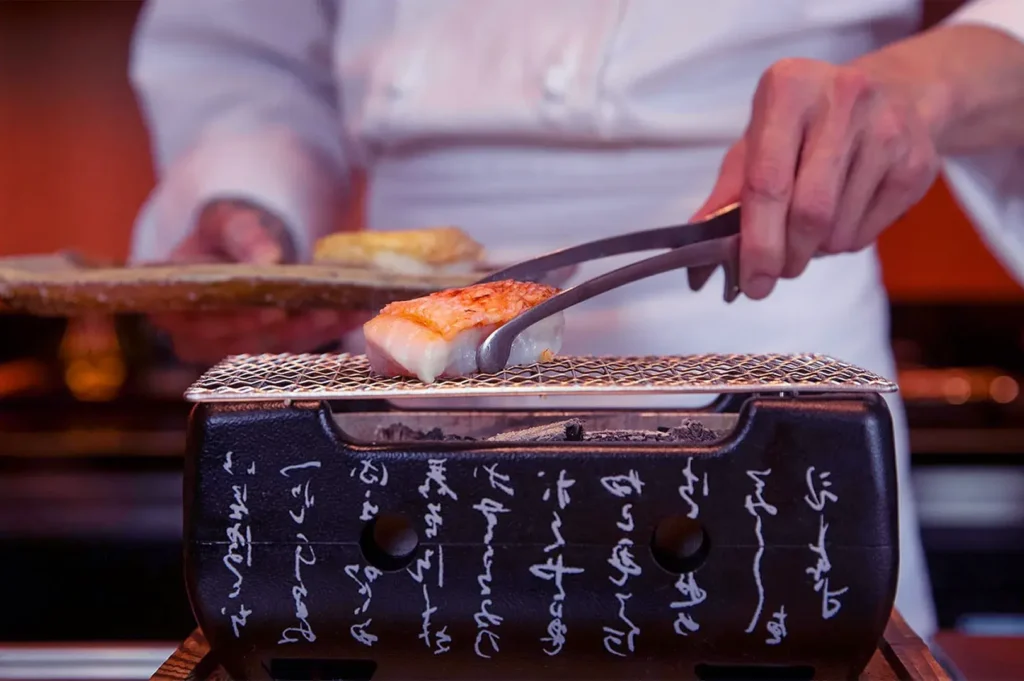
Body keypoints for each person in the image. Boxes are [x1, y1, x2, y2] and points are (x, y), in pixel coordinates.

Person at [127, 0, 1024, 641]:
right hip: (408, 354)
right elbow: (243, 45)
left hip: (765, 307)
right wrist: (249, 207)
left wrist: (923, 85)